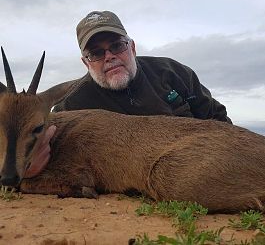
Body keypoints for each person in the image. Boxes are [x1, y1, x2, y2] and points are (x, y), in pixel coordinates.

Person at [25, 10, 231, 178]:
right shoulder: (72, 103)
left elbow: (219, 119)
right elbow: (43, 148)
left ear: (132, 47)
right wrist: (28, 167)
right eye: (96, 53)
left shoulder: (174, 73)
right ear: (86, 63)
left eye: (117, 46)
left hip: (202, 167)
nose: (109, 57)